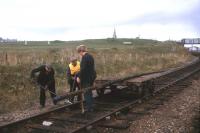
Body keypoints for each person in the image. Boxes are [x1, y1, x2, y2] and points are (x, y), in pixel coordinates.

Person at [76, 45, 96, 112]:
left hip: (86, 79)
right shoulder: (90, 56)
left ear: (81, 51)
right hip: (91, 77)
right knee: (89, 92)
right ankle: (91, 106)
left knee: (86, 93)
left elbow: (83, 69)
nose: (80, 54)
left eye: (79, 52)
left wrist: (79, 77)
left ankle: (89, 108)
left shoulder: (84, 58)